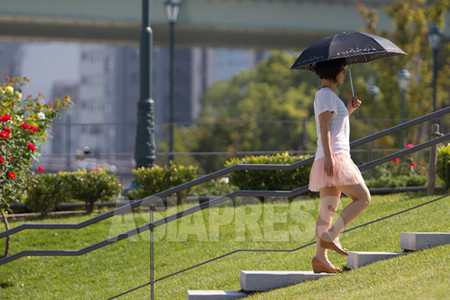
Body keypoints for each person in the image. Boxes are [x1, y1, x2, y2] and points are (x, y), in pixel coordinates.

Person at [308, 58, 371, 273]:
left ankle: (320, 258)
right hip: (335, 156)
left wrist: (348, 109)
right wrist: (329, 157)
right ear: (334, 71)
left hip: (330, 155)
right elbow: (324, 126)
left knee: (327, 210)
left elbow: (334, 125)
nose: (344, 73)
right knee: (363, 198)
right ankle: (331, 235)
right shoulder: (325, 94)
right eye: (342, 69)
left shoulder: (328, 96)